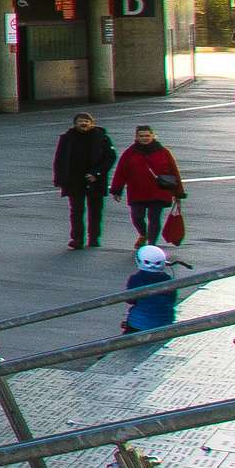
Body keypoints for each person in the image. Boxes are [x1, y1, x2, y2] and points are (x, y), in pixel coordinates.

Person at [110, 122, 183, 244]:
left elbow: (174, 172)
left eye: (147, 135)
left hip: (159, 192)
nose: (144, 138)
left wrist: (178, 192)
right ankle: (143, 234)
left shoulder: (164, 152)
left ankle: (151, 244)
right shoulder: (129, 153)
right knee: (136, 217)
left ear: (153, 136)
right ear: (136, 137)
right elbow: (121, 172)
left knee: (154, 218)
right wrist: (117, 190)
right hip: (137, 191)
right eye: (141, 136)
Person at [50, 111, 115, 250]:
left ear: (93, 123)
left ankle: (94, 238)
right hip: (74, 181)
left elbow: (110, 157)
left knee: (95, 211)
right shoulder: (66, 138)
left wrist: (97, 173)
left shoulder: (102, 138)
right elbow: (59, 159)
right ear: (75, 124)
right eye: (81, 121)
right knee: (76, 211)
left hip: (95, 180)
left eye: (87, 121)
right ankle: (77, 239)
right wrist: (60, 179)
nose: (84, 123)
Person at [122, 225, 183, 336]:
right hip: (165, 322)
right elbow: (172, 299)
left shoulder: (136, 279)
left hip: (139, 323)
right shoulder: (168, 280)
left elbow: (130, 300)